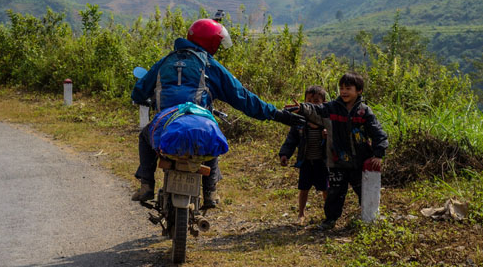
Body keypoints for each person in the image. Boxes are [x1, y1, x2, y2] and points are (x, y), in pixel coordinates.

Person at [131, 18, 303, 209]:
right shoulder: (209, 65)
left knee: (145, 136)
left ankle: (146, 185)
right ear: (211, 42)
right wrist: (278, 115)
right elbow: (243, 97)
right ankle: (210, 192)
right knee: (209, 135)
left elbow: (138, 92)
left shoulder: (166, 61)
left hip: (166, 122)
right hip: (199, 121)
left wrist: (146, 98)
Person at [287, 73, 388, 229]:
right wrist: (302, 108)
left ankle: (370, 219)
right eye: (341, 88)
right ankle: (330, 220)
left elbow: (378, 133)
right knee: (334, 193)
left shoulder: (364, 112)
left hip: (358, 162)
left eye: (348, 88)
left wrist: (378, 154)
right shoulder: (332, 108)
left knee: (364, 192)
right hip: (337, 161)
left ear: (359, 91)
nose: (344, 92)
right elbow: (316, 110)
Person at [279, 85, 329, 225]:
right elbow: (291, 139)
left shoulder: (326, 120)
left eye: (316, 101)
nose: (312, 104)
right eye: (309, 100)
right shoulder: (299, 121)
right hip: (306, 161)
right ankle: (301, 214)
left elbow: (337, 139)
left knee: (325, 188)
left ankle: (329, 213)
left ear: (323, 103)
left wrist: (328, 136)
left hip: (322, 161)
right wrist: (285, 154)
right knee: (304, 188)